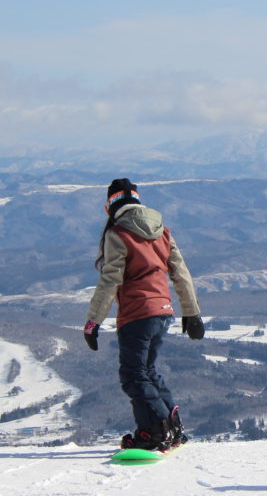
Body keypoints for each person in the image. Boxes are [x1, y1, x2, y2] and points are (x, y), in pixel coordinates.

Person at [83, 178, 206, 450]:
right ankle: (172, 427)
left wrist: (93, 322)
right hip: (163, 312)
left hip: (137, 313)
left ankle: (154, 431)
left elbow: (109, 281)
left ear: (109, 206)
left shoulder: (118, 233)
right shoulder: (162, 231)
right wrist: (192, 313)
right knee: (147, 371)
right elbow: (181, 273)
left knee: (133, 375)